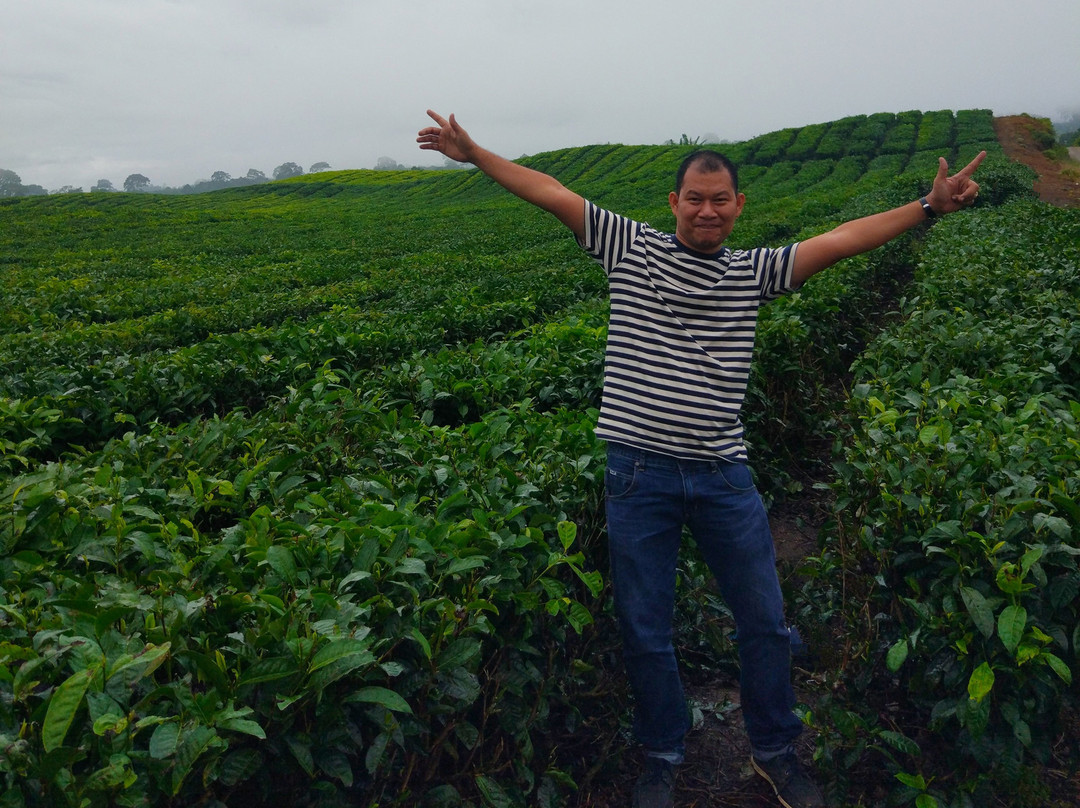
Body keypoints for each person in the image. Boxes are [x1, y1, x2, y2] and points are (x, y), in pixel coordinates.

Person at [418, 109, 984, 808]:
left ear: (739, 206)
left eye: (720, 200)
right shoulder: (629, 248)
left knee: (765, 623)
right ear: (674, 204)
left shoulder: (755, 273)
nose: (707, 210)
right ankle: (662, 751)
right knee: (646, 630)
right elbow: (551, 190)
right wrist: (478, 155)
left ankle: (775, 750)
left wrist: (928, 206)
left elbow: (841, 241)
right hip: (639, 474)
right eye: (695, 198)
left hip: (722, 474)